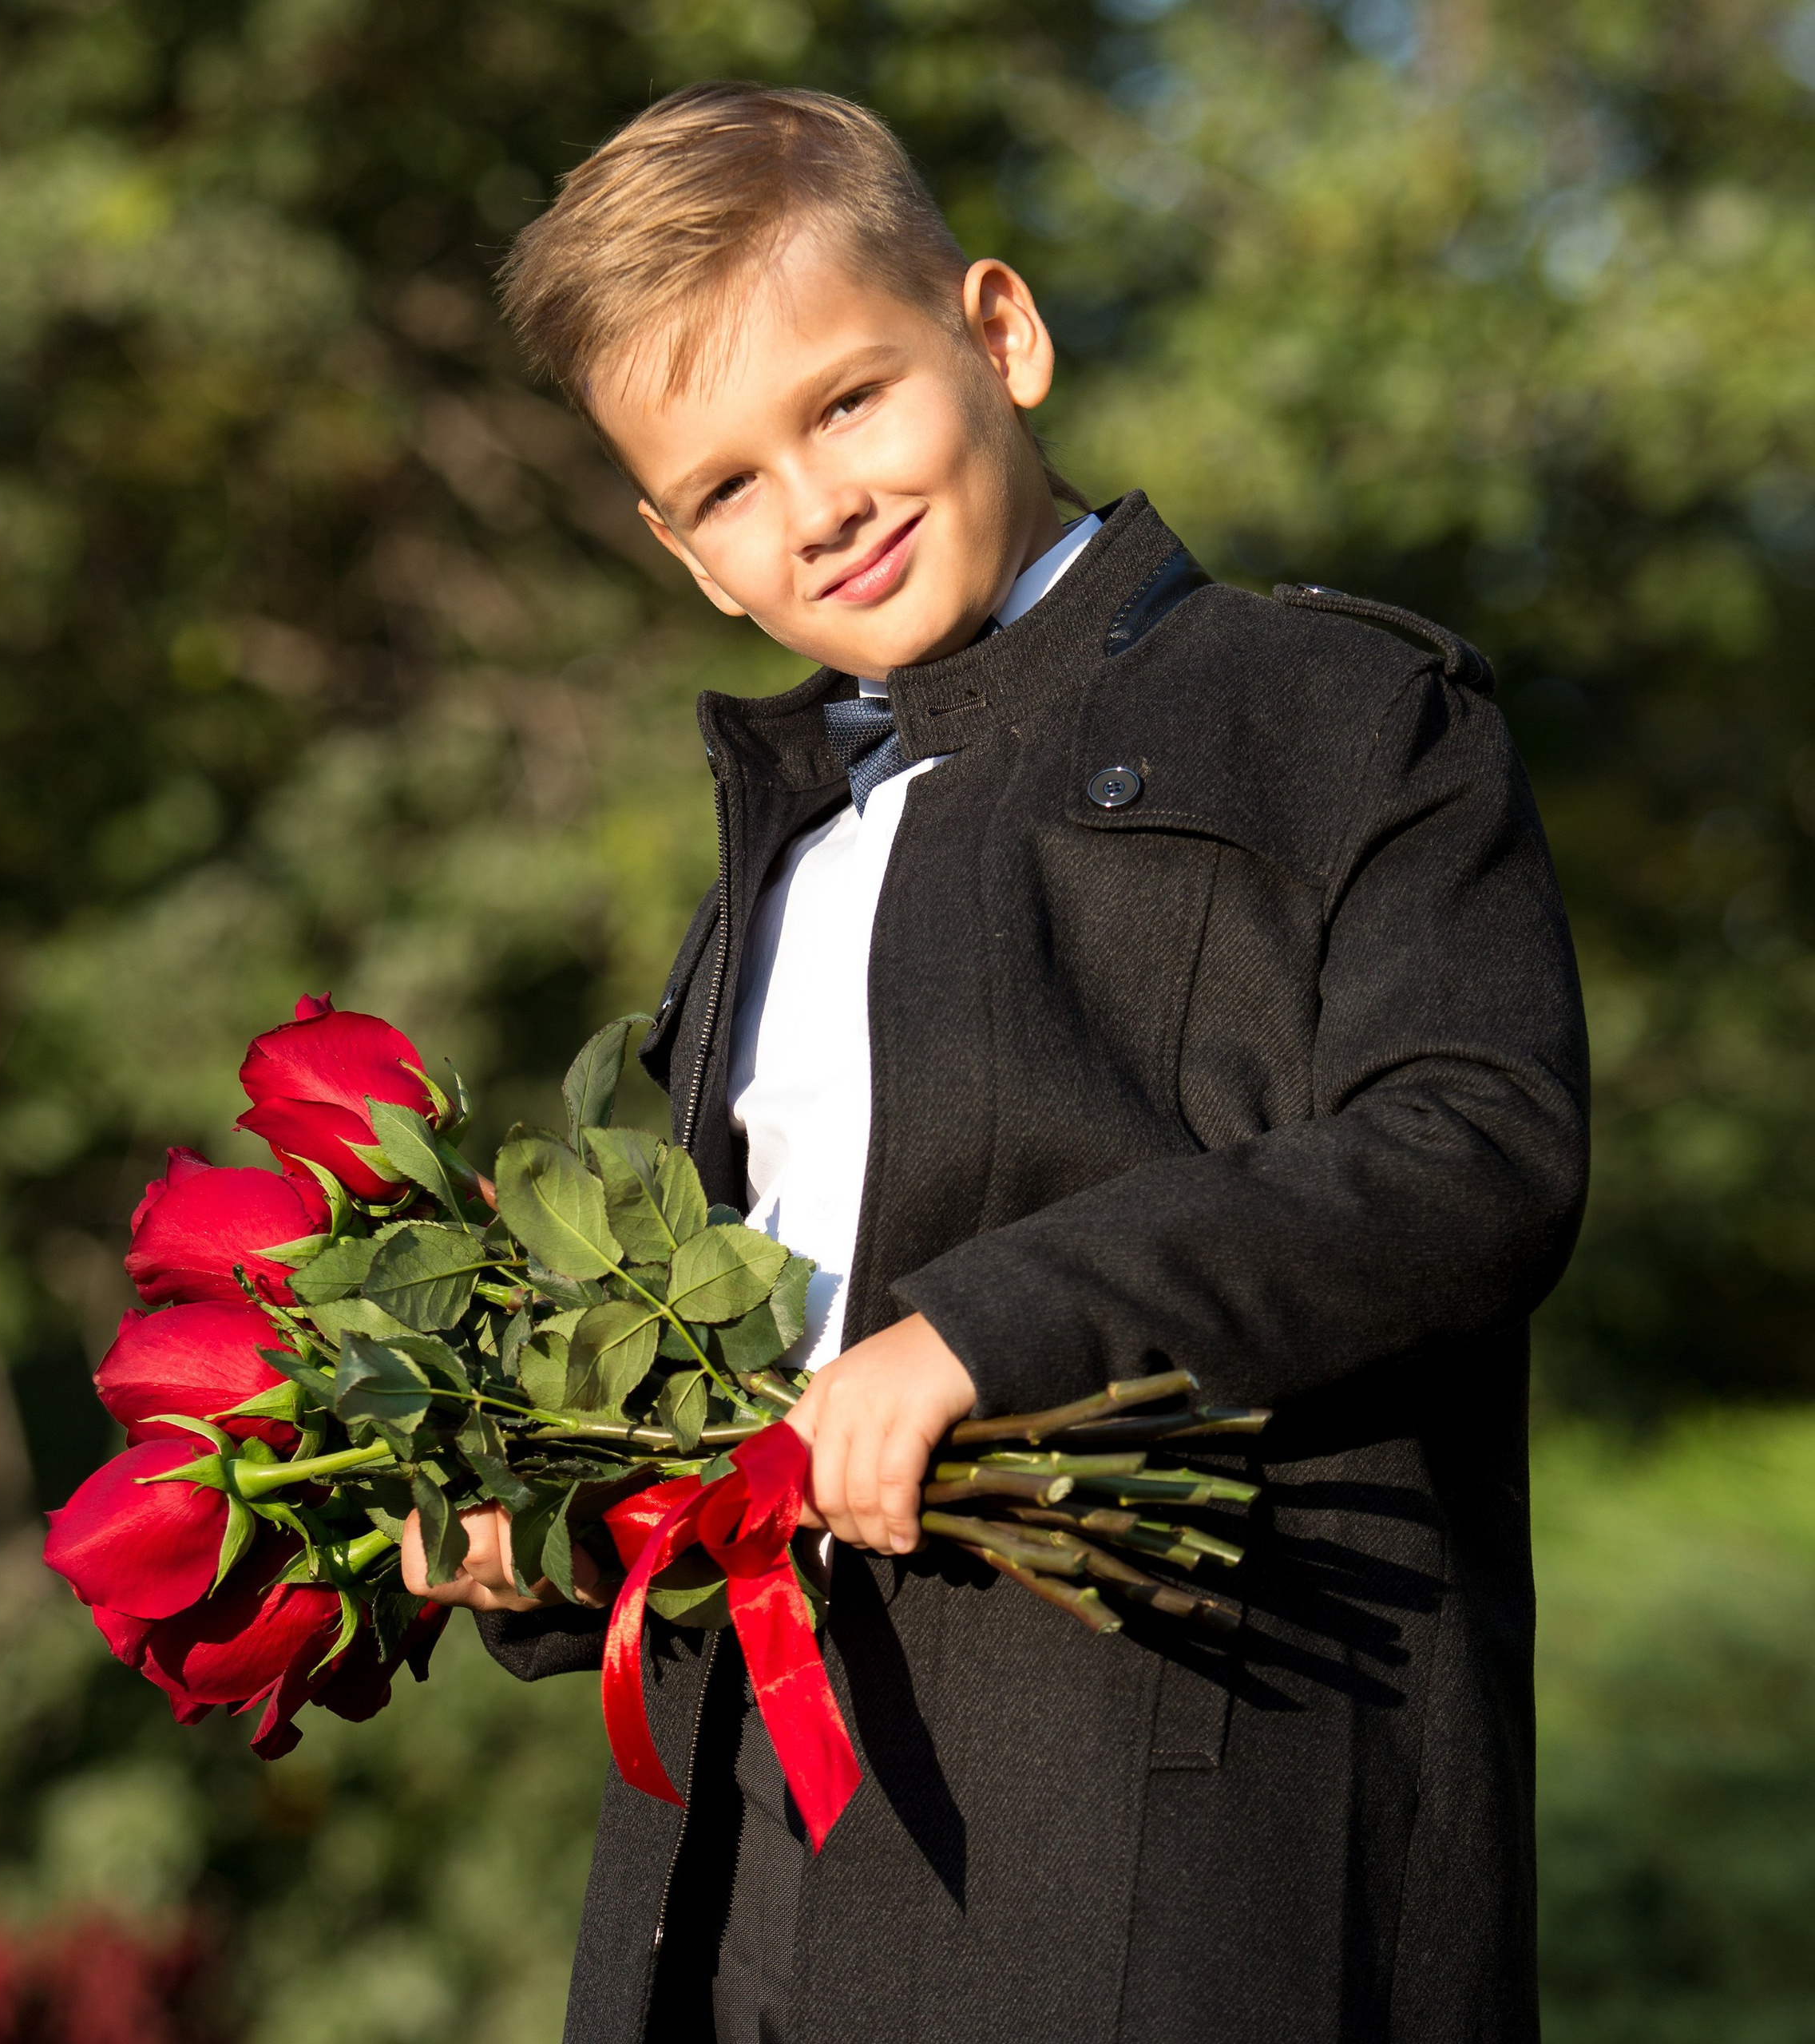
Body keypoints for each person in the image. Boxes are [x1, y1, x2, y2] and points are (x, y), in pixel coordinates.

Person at [398, 81, 1587, 2044]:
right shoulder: (769, 862)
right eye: (726, 486)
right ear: (685, 552)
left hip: (1178, 1880)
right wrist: (543, 1525)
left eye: (847, 400)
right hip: (748, 1886)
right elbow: (754, 1398)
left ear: (1000, 334)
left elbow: (1471, 1151)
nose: (815, 504)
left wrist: (981, 1332)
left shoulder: (1338, 713)